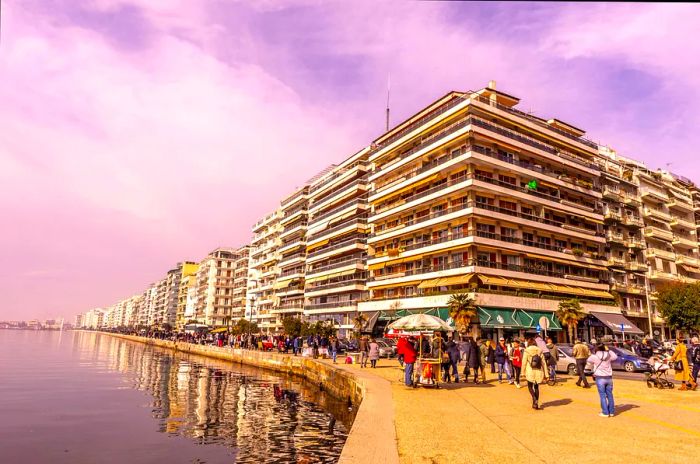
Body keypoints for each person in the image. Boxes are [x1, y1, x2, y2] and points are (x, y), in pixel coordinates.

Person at [588, 344, 618, 417]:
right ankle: (611, 412)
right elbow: (615, 357)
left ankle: (605, 412)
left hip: (600, 377)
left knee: (602, 396)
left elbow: (588, 361)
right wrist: (608, 350)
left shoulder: (594, 356)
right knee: (610, 395)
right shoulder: (608, 355)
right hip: (609, 377)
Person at [522, 337, 546, 410]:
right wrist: (546, 374)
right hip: (538, 371)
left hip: (530, 371)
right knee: (536, 387)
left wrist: (522, 373)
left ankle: (534, 398)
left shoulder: (527, 351)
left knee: (530, 386)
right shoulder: (539, 351)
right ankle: (536, 403)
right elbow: (543, 363)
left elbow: (524, 363)